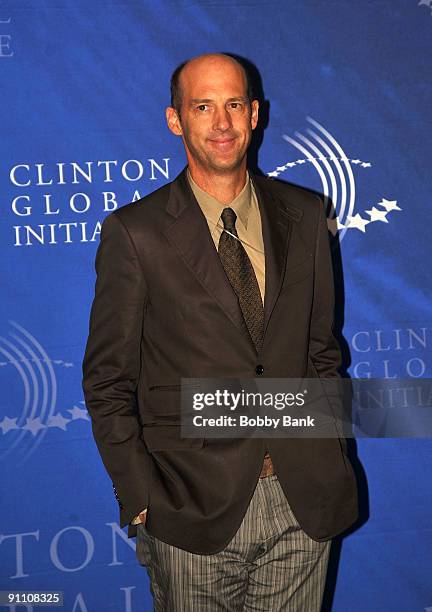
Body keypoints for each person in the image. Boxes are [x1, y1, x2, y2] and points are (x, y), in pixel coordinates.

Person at [82, 53, 358, 611]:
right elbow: (108, 380)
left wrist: (325, 452)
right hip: (189, 509)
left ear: (255, 114)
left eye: (234, 104)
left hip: (302, 500)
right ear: (175, 119)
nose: (222, 123)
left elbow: (321, 351)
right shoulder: (136, 234)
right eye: (203, 106)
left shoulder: (306, 216)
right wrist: (141, 498)